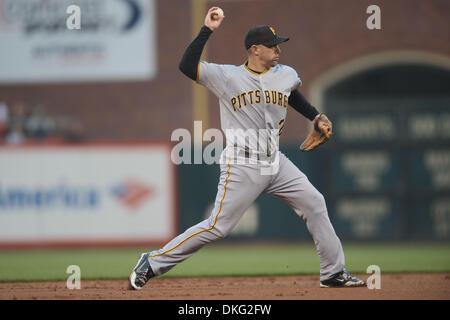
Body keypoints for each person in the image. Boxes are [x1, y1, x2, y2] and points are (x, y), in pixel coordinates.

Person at [129, 7, 365, 289]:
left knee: (315, 203)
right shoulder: (226, 76)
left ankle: (333, 273)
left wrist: (315, 116)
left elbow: (292, 94)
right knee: (218, 227)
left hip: (275, 162)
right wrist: (207, 29)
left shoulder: (285, 73)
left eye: (279, 45)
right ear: (254, 49)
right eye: (272, 46)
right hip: (242, 164)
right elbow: (187, 66)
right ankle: (152, 261)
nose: (278, 50)